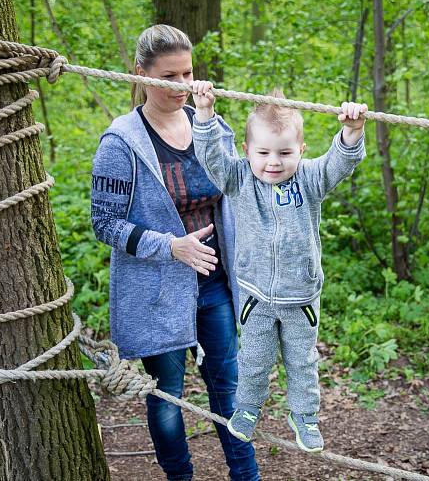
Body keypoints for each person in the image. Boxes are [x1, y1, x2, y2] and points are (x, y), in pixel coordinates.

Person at [91, 25, 259, 481]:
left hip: (216, 285)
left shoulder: (212, 126)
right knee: (167, 392)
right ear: (142, 74)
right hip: (157, 293)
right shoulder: (121, 142)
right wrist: (170, 246)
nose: (183, 86)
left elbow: (241, 185)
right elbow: (104, 223)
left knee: (229, 385)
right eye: (171, 76)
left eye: (188, 74)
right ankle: (179, 478)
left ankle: (247, 476)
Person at [188, 85, 367, 453]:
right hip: (256, 295)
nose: (274, 162)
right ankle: (249, 408)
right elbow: (212, 159)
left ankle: (304, 415)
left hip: (301, 296)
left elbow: (339, 162)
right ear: (247, 151)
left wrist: (352, 131)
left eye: (285, 152)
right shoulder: (240, 180)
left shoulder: (309, 180)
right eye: (264, 152)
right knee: (254, 359)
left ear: (301, 151)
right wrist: (203, 114)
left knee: (303, 362)